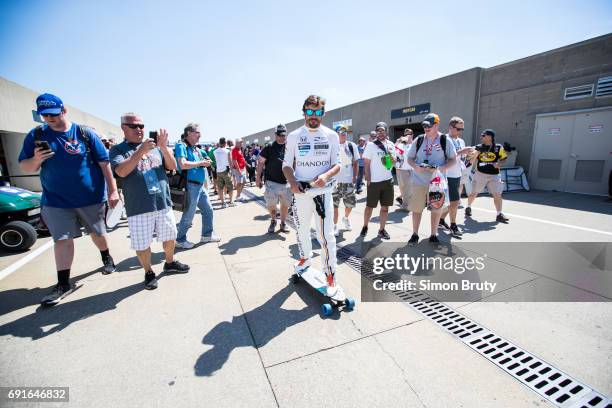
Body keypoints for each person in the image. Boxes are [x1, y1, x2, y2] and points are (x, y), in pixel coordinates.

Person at [19, 93, 119, 306]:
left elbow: (104, 164)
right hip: (56, 201)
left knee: (98, 233)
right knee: (62, 240)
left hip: (90, 198)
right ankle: (63, 283)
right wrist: (36, 159)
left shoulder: (84, 133)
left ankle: (106, 256)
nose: (49, 119)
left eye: (53, 114)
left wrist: (113, 190)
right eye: (45, 115)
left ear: (64, 110)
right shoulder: (36, 135)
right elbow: (25, 166)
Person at [110, 113, 189, 290]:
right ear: (123, 127)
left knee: (170, 237)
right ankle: (148, 272)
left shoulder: (154, 147)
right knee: (142, 244)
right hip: (138, 206)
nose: (139, 129)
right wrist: (140, 152)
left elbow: (172, 167)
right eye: (133, 126)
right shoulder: (117, 150)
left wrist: (163, 147)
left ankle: (169, 263)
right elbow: (121, 172)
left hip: (162, 203)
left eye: (141, 126)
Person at [282, 95, 341, 294]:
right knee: (301, 231)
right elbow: (287, 165)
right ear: (304, 112)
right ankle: (305, 257)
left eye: (317, 112)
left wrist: (325, 175)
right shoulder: (294, 136)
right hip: (300, 192)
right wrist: (292, 182)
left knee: (326, 236)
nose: (313, 116)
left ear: (323, 113)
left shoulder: (331, 135)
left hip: (323, 192)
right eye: (309, 112)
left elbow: (338, 164)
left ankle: (330, 273)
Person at [406, 113, 457, 246]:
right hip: (419, 181)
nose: (426, 128)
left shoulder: (445, 140)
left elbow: (453, 159)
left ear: (436, 125)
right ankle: (415, 234)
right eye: (424, 125)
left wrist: (441, 168)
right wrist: (415, 167)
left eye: (429, 125)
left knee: (436, 209)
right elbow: (409, 158)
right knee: (416, 209)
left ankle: (433, 235)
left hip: (437, 182)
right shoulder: (419, 139)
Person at [174, 123, 220, 249]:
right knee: (189, 215)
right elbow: (182, 164)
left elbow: (205, 158)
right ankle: (180, 239)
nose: (200, 135)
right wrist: (201, 162)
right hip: (190, 186)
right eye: (197, 132)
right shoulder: (181, 145)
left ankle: (207, 235)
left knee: (208, 210)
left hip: (199, 186)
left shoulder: (196, 148)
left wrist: (206, 161)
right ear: (189, 133)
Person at [360, 122, 397, 240]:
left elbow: (392, 163)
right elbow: (366, 163)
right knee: (370, 206)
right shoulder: (371, 145)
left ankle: (382, 229)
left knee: (385, 207)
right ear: (376, 132)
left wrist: (392, 159)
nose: (381, 133)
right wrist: (368, 178)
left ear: (386, 131)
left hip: (387, 180)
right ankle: (365, 226)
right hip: (374, 182)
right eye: (378, 130)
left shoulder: (391, 144)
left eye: (383, 130)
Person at [465, 129, 509, 223]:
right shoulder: (479, 147)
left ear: (490, 137)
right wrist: (474, 153)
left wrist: (499, 164)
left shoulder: (498, 147)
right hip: (480, 174)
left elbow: (504, 158)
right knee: (474, 193)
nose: (481, 137)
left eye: (483, 135)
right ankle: (468, 206)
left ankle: (499, 214)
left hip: (495, 175)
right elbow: (470, 158)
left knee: (497, 194)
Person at [439, 117, 472, 236]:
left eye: (462, 129)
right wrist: (461, 152)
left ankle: (441, 220)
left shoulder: (460, 141)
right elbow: (442, 158)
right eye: (458, 129)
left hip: (457, 174)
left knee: (452, 202)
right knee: (453, 202)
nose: (460, 131)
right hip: (446, 175)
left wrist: (468, 155)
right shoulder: (443, 139)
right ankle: (453, 225)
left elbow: (460, 158)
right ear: (451, 127)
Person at [257, 124, 291, 233]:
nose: (282, 137)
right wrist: (258, 178)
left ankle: (283, 223)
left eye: (284, 134)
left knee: (285, 205)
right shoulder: (269, 147)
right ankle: (273, 220)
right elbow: (260, 163)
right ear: (275, 135)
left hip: (286, 182)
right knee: (272, 205)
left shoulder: (290, 147)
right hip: (271, 182)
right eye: (279, 134)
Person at [332, 125, 358, 236]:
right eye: (340, 131)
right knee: (334, 206)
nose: (343, 133)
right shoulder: (332, 146)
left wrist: (355, 177)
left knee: (350, 205)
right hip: (335, 182)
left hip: (348, 181)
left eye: (345, 131)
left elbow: (356, 162)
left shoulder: (352, 146)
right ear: (336, 133)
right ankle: (334, 226)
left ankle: (345, 218)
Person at [395, 129, 414, 212]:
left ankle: (405, 204)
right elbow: (393, 152)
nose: (407, 135)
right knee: (404, 187)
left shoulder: (415, 144)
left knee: (409, 188)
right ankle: (404, 203)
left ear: (412, 135)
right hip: (402, 169)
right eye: (406, 134)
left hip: (412, 169)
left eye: (409, 134)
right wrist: (398, 142)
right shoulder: (401, 145)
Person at [213, 137, 235, 207]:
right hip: (226, 170)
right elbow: (230, 162)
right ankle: (231, 202)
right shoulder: (227, 151)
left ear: (219, 143)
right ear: (225, 143)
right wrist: (232, 171)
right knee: (230, 186)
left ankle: (223, 203)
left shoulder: (215, 151)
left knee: (220, 187)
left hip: (218, 171)